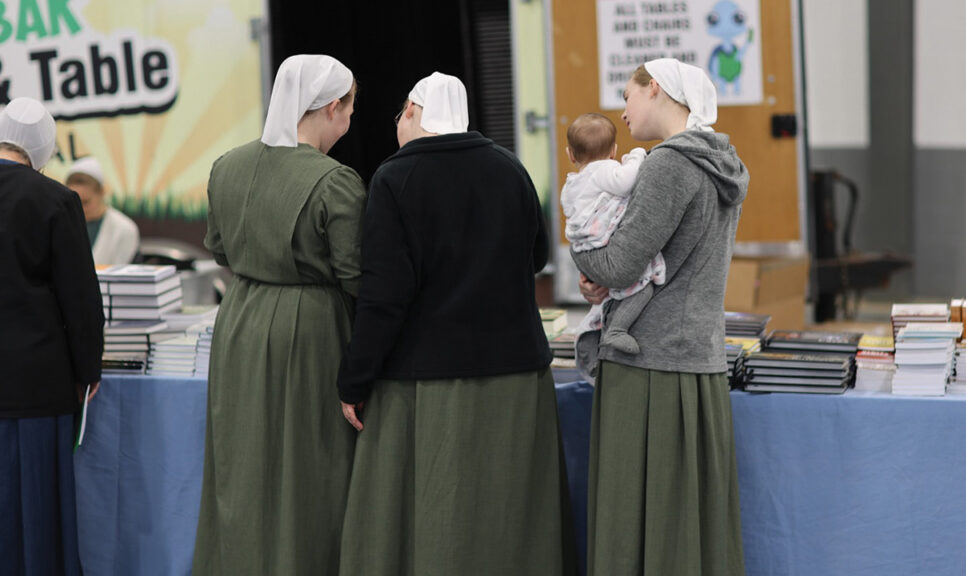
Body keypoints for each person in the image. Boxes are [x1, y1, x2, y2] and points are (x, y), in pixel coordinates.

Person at [336, 72, 575, 576]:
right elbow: (537, 257)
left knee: (437, 516)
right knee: (511, 513)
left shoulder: (394, 178)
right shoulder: (511, 168)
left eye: (401, 113)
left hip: (427, 383)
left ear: (415, 113)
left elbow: (384, 295)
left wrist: (355, 379)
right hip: (517, 377)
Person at [192, 55, 366, 575]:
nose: (350, 122)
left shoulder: (227, 165)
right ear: (333, 107)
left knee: (243, 463)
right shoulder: (336, 181)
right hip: (310, 331)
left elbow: (219, 249)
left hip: (239, 321)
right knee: (309, 467)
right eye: (351, 110)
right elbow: (356, 275)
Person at [574, 59, 749, 575]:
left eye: (628, 96)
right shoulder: (723, 160)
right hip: (699, 357)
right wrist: (606, 280)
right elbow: (660, 261)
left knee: (639, 521)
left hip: (650, 363)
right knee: (687, 526)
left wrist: (580, 247)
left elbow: (619, 262)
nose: (622, 111)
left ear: (655, 90)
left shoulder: (670, 164)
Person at [0, 97, 104, 575]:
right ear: (42, 146)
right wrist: (89, 369)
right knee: (36, 511)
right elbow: (80, 298)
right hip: (35, 384)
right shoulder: (55, 199)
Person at [562, 112, 665, 356]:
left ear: (570, 155)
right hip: (601, 247)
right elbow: (626, 181)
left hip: (583, 249)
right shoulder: (604, 170)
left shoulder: (572, 184)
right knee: (643, 285)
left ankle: (600, 324)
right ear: (613, 151)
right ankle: (617, 329)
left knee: (607, 292)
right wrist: (637, 155)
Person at [65, 156, 140, 265]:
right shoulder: (63, 225)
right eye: (74, 203)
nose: (79, 209)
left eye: (85, 202)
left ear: (101, 193)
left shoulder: (124, 230)